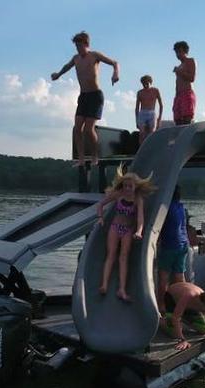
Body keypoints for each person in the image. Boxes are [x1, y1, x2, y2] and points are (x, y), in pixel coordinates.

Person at [51, 31, 119, 166]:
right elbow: (67, 66)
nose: (77, 49)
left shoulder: (94, 55)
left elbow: (114, 63)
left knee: (88, 129)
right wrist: (58, 74)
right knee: (77, 128)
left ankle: (95, 156)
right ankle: (81, 159)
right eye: (76, 46)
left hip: (95, 96)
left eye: (79, 46)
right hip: (83, 97)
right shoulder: (76, 58)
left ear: (86, 44)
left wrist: (115, 73)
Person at [97, 165, 156, 301]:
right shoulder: (118, 195)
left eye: (130, 186)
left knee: (124, 257)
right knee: (111, 254)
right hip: (115, 227)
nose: (127, 189)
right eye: (125, 186)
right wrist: (100, 218)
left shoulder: (138, 199)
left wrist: (139, 231)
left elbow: (140, 218)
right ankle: (104, 284)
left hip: (127, 230)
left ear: (135, 187)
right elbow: (100, 205)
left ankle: (122, 289)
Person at [159, 282, 205, 365]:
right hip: (172, 300)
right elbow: (176, 318)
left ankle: (183, 317)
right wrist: (182, 340)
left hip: (188, 307)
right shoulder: (189, 296)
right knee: (175, 332)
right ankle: (161, 320)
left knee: (204, 329)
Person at [156, 185, 189, 313]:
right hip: (183, 244)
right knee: (179, 277)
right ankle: (184, 304)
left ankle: (161, 306)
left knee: (163, 278)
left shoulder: (165, 208)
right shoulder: (181, 207)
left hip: (169, 245)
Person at [172, 41, 196, 125]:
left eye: (179, 52)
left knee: (186, 121)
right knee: (177, 121)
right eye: (176, 52)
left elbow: (192, 78)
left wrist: (179, 71)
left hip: (187, 93)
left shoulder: (190, 61)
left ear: (185, 51)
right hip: (178, 95)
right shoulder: (179, 66)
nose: (178, 54)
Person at [135, 75, 163, 144]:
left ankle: (151, 150)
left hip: (152, 112)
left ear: (150, 82)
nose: (145, 85)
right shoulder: (140, 92)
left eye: (147, 83)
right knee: (142, 133)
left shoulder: (155, 90)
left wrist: (159, 118)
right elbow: (137, 107)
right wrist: (137, 120)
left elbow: (161, 105)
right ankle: (141, 151)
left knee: (152, 132)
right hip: (142, 113)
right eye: (143, 84)